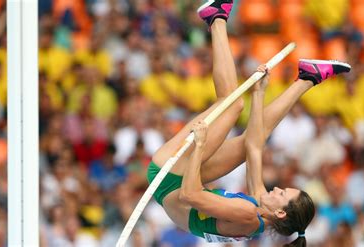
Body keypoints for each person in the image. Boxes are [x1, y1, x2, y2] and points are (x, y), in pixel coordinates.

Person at [146, 0, 351, 246]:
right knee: (247, 142)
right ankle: (308, 78)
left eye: (282, 193)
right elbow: (254, 145)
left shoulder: (248, 214)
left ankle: (216, 19)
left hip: (168, 179)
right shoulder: (261, 208)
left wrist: (199, 146)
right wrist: (259, 92)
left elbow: (191, 195)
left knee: (231, 105)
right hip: (181, 183)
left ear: (281, 212)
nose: (277, 189)